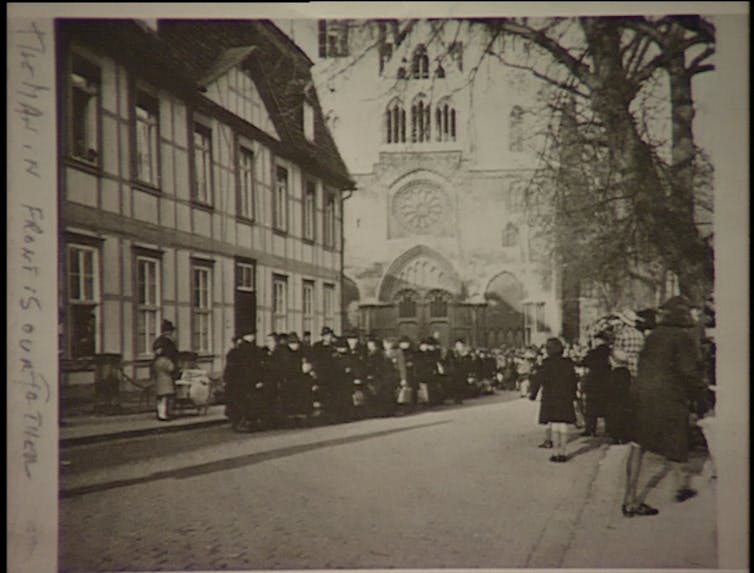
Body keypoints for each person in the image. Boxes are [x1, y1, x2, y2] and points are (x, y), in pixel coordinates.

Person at [622, 295, 709, 517]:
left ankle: (629, 500)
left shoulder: (652, 336)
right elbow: (689, 372)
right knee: (678, 437)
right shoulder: (683, 337)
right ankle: (681, 486)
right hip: (668, 396)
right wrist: (702, 397)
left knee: (637, 445)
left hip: (640, 394)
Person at [529, 338, 579, 462]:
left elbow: (537, 380)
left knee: (555, 426)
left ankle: (555, 453)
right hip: (565, 398)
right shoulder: (568, 364)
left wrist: (533, 395)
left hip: (550, 399)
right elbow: (573, 381)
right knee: (563, 426)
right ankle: (563, 452)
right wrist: (573, 396)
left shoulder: (546, 364)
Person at [606, 309, 645, 444]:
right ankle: (632, 433)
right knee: (632, 404)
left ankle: (618, 434)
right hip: (637, 371)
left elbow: (617, 355)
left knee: (619, 404)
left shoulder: (621, 335)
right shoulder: (640, 335)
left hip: (622, 371)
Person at [580, 333, 611, 437]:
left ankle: (590, 429)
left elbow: (584, 362)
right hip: (607, 380)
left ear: (598, 340)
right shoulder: (610, 352)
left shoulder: (593, 352)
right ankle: (609, 429)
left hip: (594, 381)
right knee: (607, 405)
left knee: (591, 406)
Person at [152, 319, 179, 421]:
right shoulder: (168, 341)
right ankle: (164, 414)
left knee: (162, 395)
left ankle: (162, 413)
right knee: (166, 394)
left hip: (159, 369)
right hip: (166, 369)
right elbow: (173, 355)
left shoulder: (158, 340)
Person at [448, 339, 475, 404]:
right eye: (457, 345)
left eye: (460, 345)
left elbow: (469, 362)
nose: (459, 346)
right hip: (455, 371)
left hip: (462, 371)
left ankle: (460, 398)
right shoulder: (452, 352)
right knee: (455, 385)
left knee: (462, 385)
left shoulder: (465, 353)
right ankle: (456, 398)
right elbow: (450, 361)